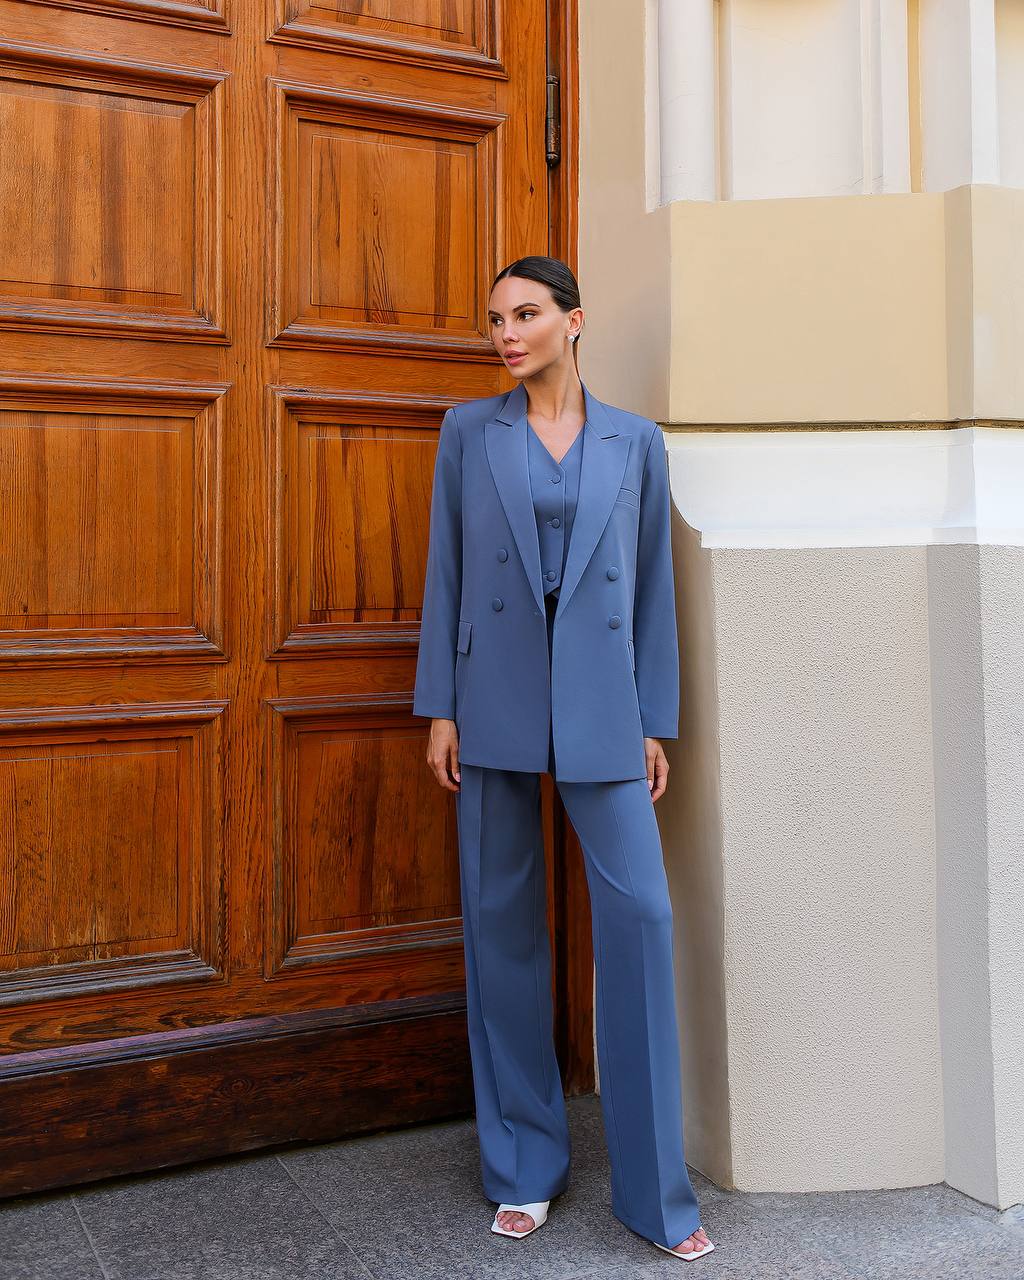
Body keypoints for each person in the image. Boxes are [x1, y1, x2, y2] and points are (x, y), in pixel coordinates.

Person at [412, 256, 715, 1263]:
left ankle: (656, 1194)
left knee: (639, 919)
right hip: (489, 697)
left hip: (602, 705)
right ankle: (522, 1165)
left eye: (527, 313)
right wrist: (440, 708)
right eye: (495, 316)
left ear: (574, 320)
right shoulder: (469, 431)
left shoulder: (635, 440)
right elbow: (445, 572)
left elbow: (654, 591)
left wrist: (652, 718)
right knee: (500, 926)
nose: (506, 331)